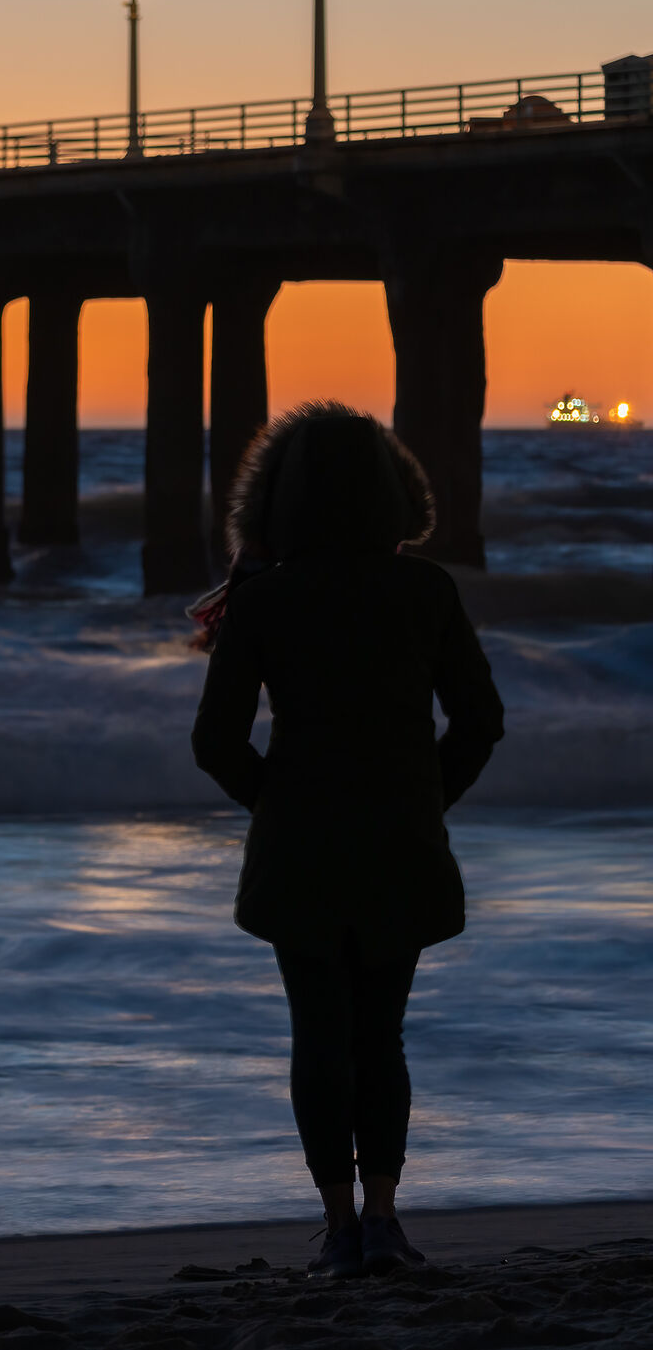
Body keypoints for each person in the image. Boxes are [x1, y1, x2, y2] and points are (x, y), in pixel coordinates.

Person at [191, 403, 503, 1281]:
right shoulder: (426, 591)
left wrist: (280, 805)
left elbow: (214, 743)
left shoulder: (266, 601)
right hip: (399, 842)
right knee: (384, 1036)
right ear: (390, 493)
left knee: (319, 1034)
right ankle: (385, 1217)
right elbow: (481, 719)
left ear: (280, 503)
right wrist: (423, 799)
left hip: (302, 853)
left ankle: (337, 1226)